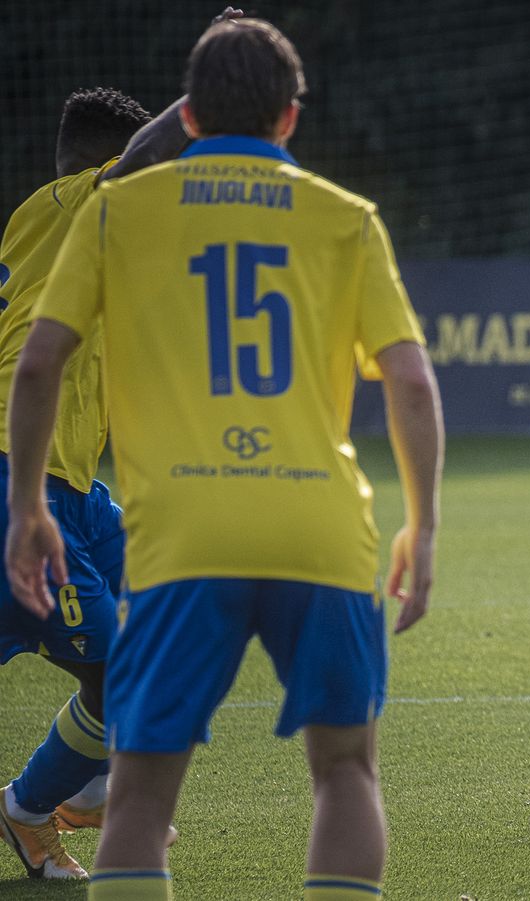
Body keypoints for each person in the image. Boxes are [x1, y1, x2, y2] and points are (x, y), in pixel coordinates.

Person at [4, 17, 442, 901]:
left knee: (142, 780)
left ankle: (51, 797)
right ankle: (43, 795)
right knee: (347, 771)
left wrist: (27, 507)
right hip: (319, 528)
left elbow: (44, 358)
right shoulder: (343, 218)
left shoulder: (118, 215)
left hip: (166, 525)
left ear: (194, 118)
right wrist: (424, 528)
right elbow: (412, 383)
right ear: (290, 118)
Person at [0, 66, 219, 879]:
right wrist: (209, 89)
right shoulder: (62, 207)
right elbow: (141, 164)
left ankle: (84, 783)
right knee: (121, 665)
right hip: (14, 481)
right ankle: (30, 807)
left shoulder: (89, 252)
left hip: (74, 490)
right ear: (99, 169)